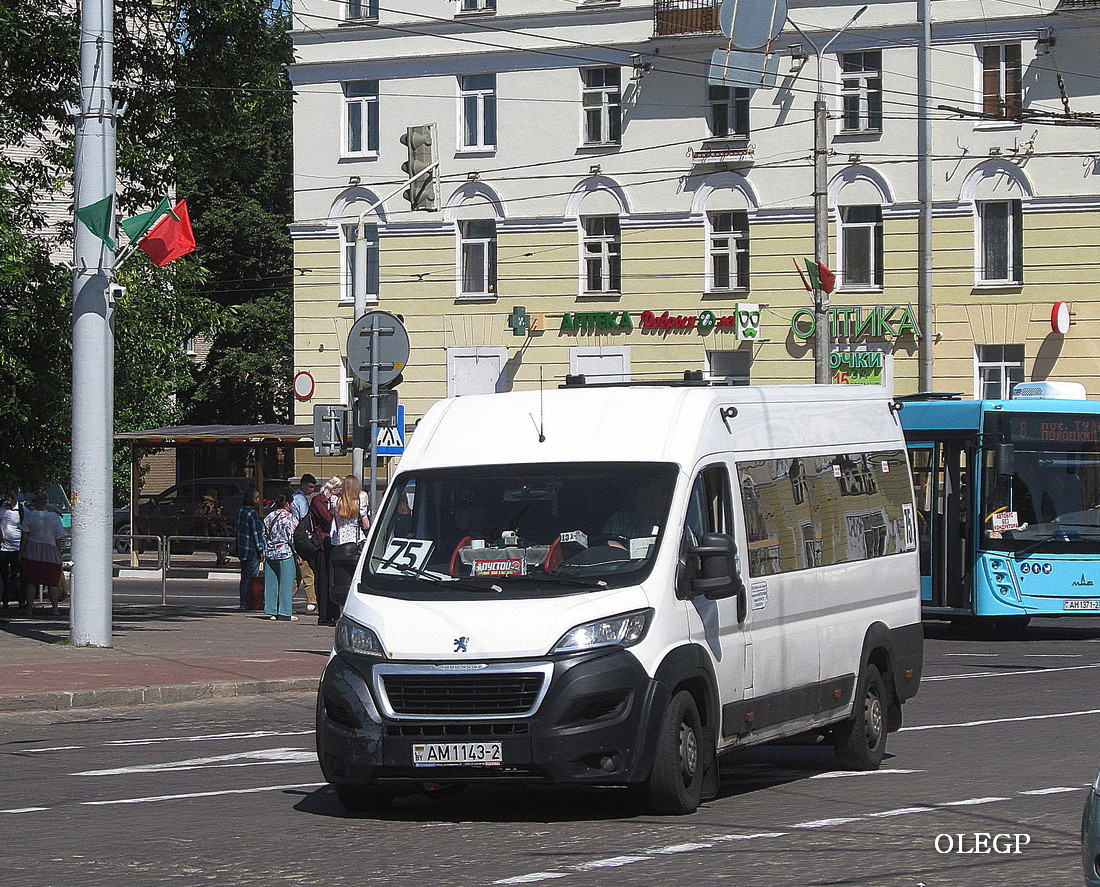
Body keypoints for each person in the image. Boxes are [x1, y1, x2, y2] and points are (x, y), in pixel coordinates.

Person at [329, 475, 370, 621]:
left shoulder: (335, 501)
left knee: (342, 581)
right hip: (356, 542)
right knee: (357, 578)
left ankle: (342, 613)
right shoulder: (360, 500)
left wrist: (334, 491)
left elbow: (335, 521)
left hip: (341, 543)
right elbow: (366, 524)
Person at [20, 491, 66, 617]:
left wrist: (21, 552)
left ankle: (29, 610)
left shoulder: (30, 516)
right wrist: (58, 553)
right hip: (51, 552)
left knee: (31, 582)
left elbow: (25, 536)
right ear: (47, 502)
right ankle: (55, 609)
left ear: (36, 502)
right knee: (52, 583)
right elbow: (58, 538)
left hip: (32, 551)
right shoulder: (54, 517)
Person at [262, 493, 299, 621]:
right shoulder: (290, 518)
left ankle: (271, 610)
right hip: (285, 553)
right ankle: (285, 612)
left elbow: (264, 535)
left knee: (271, 583)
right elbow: (293, 538)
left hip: (270, 553)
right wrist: (298, 553)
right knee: (286, 584)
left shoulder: (269, 517)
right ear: (287, 504)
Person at [310, 475, 340, 626]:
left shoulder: (335, 500)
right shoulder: (319, 500)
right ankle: (324, 615)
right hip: (322, 542)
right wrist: (334, 508)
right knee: (323, 579)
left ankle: (334, 613)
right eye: (339, 489)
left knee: (333, 579)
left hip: (334, 542)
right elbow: (327, 518)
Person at [291, 474, 318, 613]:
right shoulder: (301, 500)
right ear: (303, 485)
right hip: (301, 541)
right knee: (308, 575)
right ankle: (312, 603)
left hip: (295, 541)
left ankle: (284, 602)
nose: (312, 490)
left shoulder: (295, 497)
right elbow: (304, 522)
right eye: (310, 487)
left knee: (297, 576)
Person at [234, 488, 264, 610]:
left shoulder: (239, 511)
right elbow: (257, 533)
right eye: (257, 497)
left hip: (242, 548)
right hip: (251, 549)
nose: (258, 500)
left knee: (244, 576)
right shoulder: (252, 514)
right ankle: (251, 602)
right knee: (252, 577)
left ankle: (243, 602)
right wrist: (261, 549)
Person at [195, 488, 230, 566]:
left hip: (210, 527)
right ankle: (221, 559)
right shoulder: (210, 505)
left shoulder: (204, 504)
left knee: (217, 543)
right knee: (220, 543)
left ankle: (221, 558)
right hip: (214, 527)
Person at [0, 491, 23, 607]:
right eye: (6, 496)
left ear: (15, 498)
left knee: (17, 576)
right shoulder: (1, 507)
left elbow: (27, 528)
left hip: (17, 548)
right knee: (3, 575)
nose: (7, 499)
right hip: (2, 549)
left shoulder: (22, 510)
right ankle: (5, 599)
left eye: (10, 497)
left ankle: (20, 599)